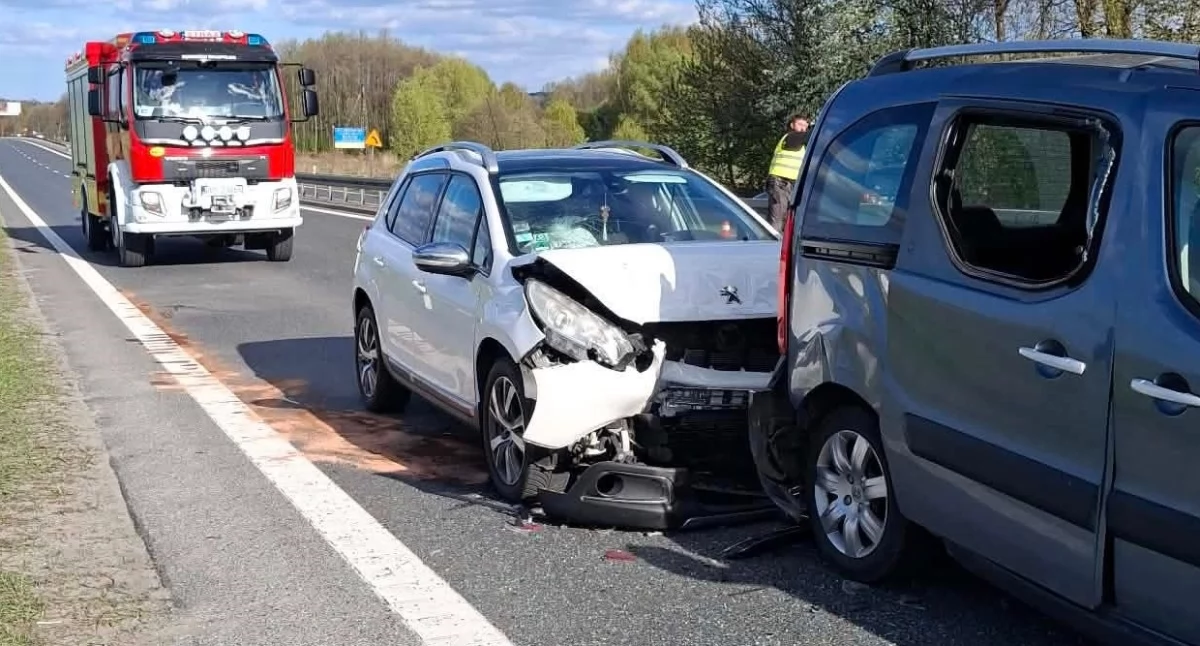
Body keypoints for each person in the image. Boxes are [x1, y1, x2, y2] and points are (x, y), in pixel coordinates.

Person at [765, 113, 810, 230]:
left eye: (806, 126)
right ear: (792, 125)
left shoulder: (800, 144)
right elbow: (809, 135)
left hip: (789, 184)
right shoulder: (791, 137)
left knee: (786, 220)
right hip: (780, 182)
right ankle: (772, 246)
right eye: (800, 124)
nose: (803, 128)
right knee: (777, 220)